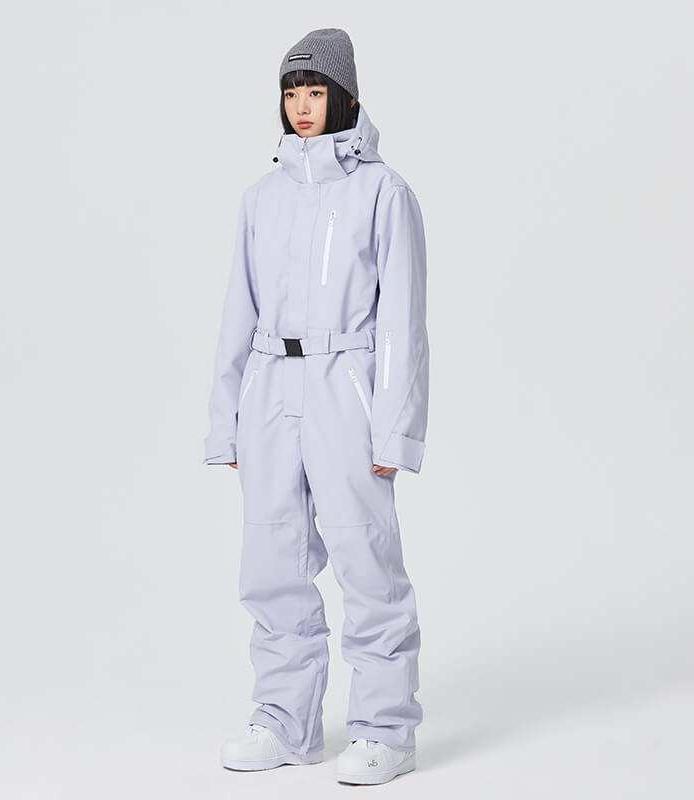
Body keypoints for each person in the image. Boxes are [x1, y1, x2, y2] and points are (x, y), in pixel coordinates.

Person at [202, 27, 430, 786]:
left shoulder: (383, 193)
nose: (302, 106)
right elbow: (238, 313)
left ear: (345, 97)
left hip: (347, 385)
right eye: (291, 93)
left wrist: (396, 428)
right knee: (271, 561)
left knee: (366, 559)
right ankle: (285, 719)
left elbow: (402, 320)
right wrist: (227, 419)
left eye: (316, 91)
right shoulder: (261, 198)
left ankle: (385, 729)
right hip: (271, 387)